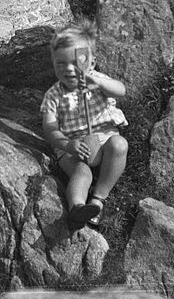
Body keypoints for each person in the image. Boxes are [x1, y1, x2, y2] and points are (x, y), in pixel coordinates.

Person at [40, 20, 128, 230]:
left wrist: (99, 83)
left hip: (104, 139)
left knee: (120, 145)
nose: (68, 69)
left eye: (76, 62)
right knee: (82, 173)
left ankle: (98, 197)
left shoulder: (97, 80)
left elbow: (121, 90)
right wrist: (67, 144)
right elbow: (50, 128)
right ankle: (78, 208)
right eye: (60, 63)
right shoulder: (53, 95)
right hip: (73, 147)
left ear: (92, 63)